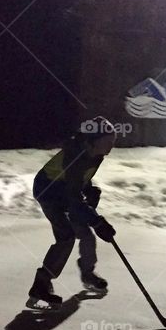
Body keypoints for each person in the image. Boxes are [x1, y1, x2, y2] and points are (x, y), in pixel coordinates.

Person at [27, 117, 118, 308]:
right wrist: (97, 221)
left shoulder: (95, 154)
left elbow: (78, 181)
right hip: (48, 192)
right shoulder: (75, 156)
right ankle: (40, 286)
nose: (112, 144)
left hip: (65, 192)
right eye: (108, 140)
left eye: (113, 140)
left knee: (86, 235)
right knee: (66, 236)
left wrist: (89, 190)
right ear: (95, 140)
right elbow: (73, 196)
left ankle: (87, 273)